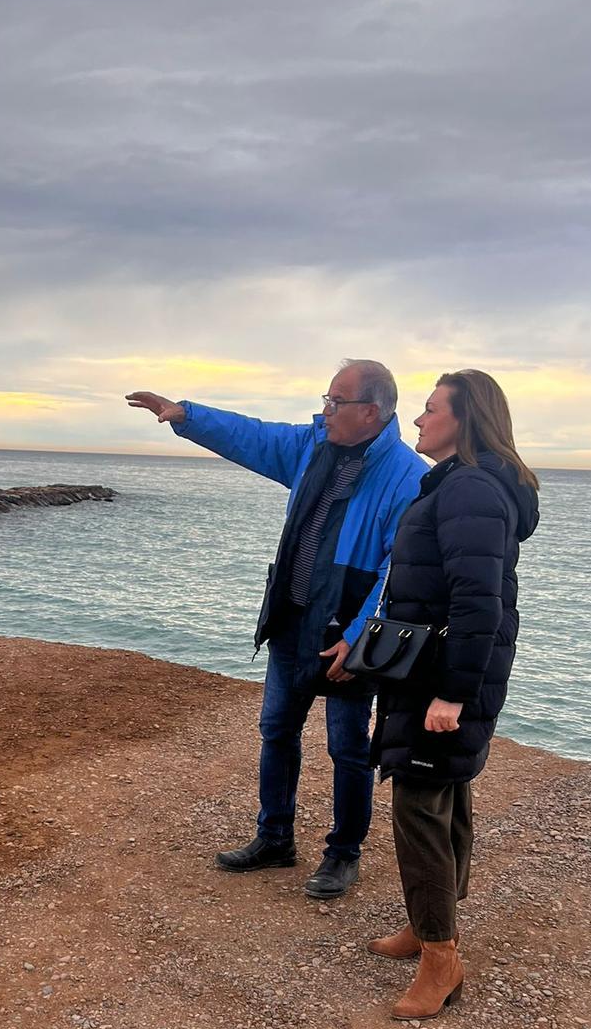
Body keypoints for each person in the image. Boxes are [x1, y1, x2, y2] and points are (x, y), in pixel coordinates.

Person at [127, 361, 426, 898]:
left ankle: (343, 853)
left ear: (372, 412)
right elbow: (254, 437)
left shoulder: (406, 475)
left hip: (344, 634)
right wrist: (187, 416)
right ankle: (275, 838)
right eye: (327, 399)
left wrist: (360, 634)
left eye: (337, 402)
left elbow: (395, 568)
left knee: (348, 748)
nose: (325, 410)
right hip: (292, 621)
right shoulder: (314, 448)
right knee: (277, 733)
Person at [368, 369, 540, 1019]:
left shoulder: (470, 488)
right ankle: (430, 923)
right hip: (428, 669)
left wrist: (454, 695)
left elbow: (478, 602)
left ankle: (441, 958)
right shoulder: (460, 485)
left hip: (441, 675)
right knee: (446, 793)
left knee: (418, 803)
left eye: (430, 409)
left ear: (463, 420)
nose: (417, 419)